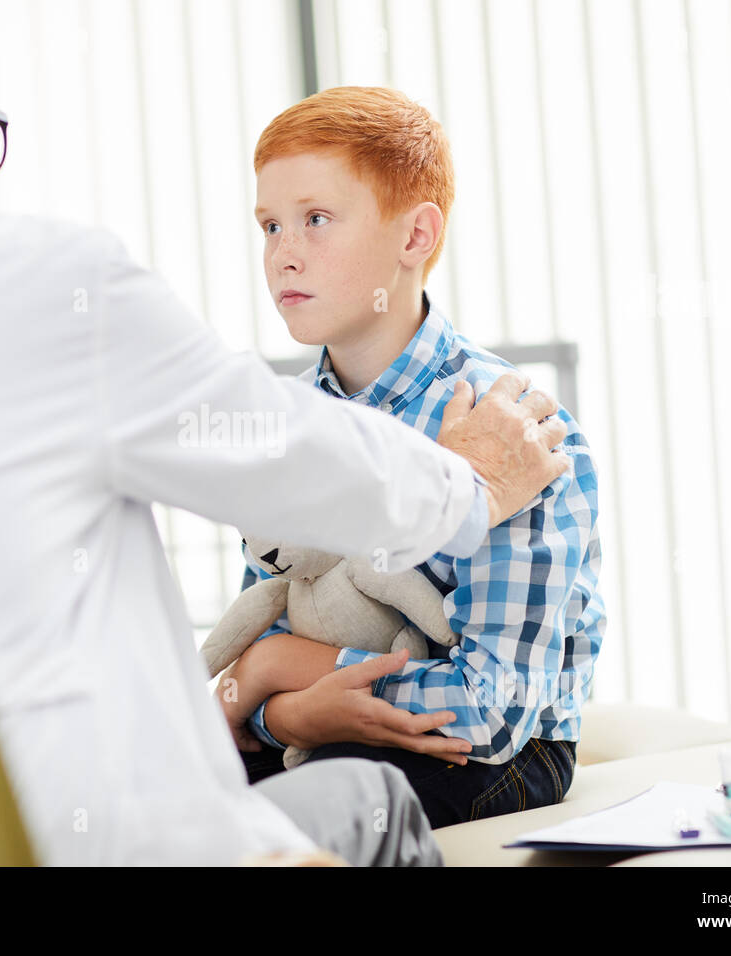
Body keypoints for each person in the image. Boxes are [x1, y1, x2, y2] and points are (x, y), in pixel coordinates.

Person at [0, 1, 570, 865]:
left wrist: (256, 685)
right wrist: (471, 482)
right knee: (367, 803)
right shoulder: (34, 280)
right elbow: (286, 455)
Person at [223, 87, 605, 829]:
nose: (283, 252)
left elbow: (488, 713)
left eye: (316, 219)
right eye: (269, 225)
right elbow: (258, 636)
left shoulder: (518, 431)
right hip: (320, 726)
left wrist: (283, 679)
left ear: (414, 236)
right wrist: (288, 716)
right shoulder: (290, 425)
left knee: (300, 815)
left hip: (497, 752)